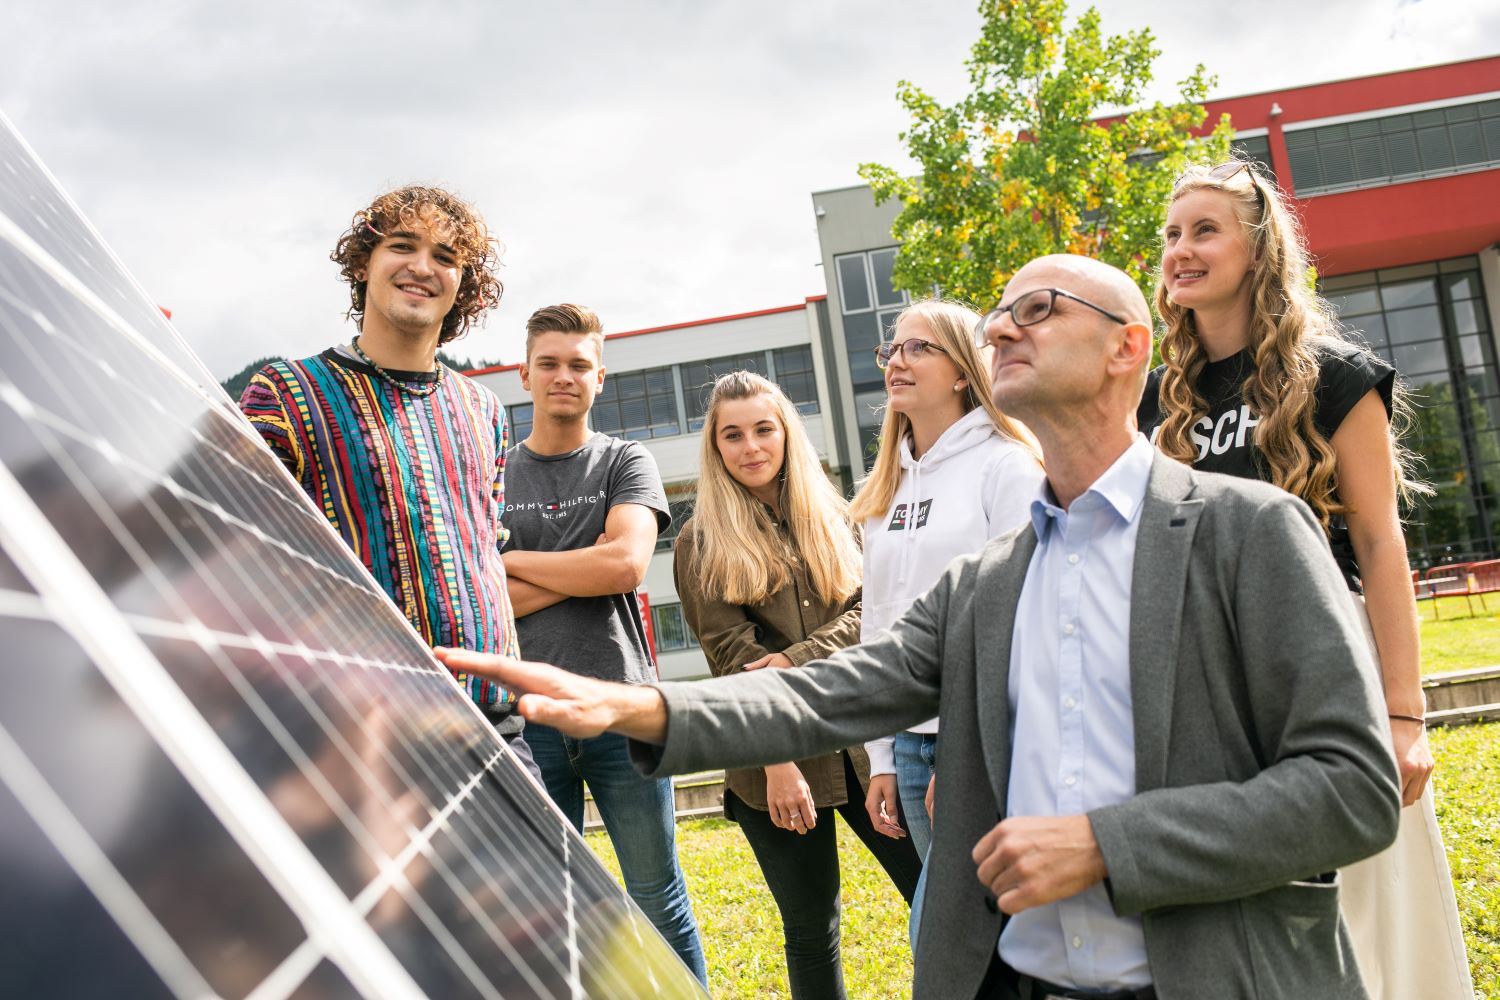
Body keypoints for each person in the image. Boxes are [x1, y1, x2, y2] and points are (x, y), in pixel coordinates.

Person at [439, 252, 1403, 1000]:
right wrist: (640, 708)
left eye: (1037, 310)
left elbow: (1352, 789)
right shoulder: (989, 582)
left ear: (1129, 347)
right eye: (995, 320)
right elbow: (840, 686)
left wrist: (1115, 843)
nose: (1002, 331)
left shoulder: (1249, 532)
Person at [1140, 160, 1472, 1000]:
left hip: (1329, 662)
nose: (1180, 250)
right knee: (1248, 904)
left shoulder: (1334, 376)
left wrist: (1405, 715)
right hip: (1211, 678)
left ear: (1258, 248)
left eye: (1204, 231)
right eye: (1172, 235)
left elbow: (1381, 542)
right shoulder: (1153, 404)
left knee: (1365, 901)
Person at [239, 185, 538, 780]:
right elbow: (236, 555)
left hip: (494, 723)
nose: (423, 267)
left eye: (447, 258)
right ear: (363, 264)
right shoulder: (285, 395)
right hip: (351, 731)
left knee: (540, 877)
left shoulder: (483, 410)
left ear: (463, 286)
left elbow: (487, 554)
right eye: (403, 245)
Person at [673, 370, 922, 999]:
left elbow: (876, 615)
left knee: (932, 899)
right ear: (716, 447)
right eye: (733, 435)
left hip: (871, 750)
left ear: (786, 433)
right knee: (813, 928)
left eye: (763, 429)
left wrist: (794, 659)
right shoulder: (700, 542)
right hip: (772, 765)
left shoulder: (843, 516)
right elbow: (731, 658)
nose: (751, 446)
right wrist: (779, 762)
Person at [499, 303, 707, 984]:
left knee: (657, 896)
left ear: (600, 378)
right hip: (527, 719)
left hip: (624, 712)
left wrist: (514, 562)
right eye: (550, 364)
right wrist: (579, 565)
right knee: (551, 907)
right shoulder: (491, 475)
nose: (565, 376)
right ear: (524, 373)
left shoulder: (625, 460)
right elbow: (483, 593)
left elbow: (623, 567)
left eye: (579, 365)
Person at [852, 299, 1043, 865]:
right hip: (910, 743)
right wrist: (883, 755)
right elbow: (879, 628)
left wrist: (970, 747)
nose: (896, 361)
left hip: (983, 739)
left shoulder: (1006, 468)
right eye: (892, 349)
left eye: (918, 347)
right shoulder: (881, 492)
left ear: (963, 370)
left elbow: (1018, 619)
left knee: (955, 930)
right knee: (956, 933)